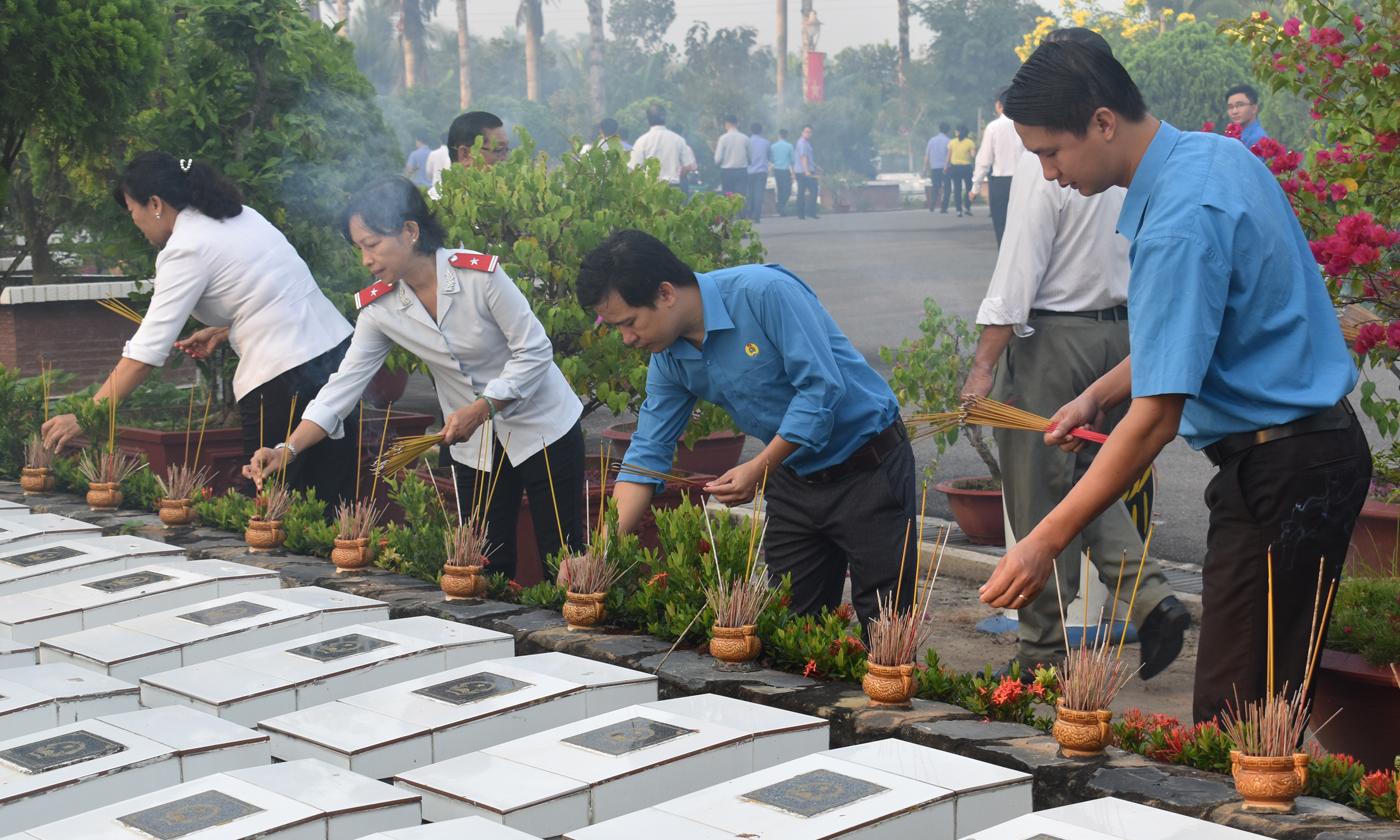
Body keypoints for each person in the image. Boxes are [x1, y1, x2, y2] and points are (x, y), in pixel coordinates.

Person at [991, 39, 1369, 724]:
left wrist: (1045, 537)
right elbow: (1194, 334)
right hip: (1306, 455)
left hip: (1284, 467)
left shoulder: (1178, 222)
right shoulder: (1214, 156)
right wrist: (1096, 395)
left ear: (1103, 122)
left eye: (1051, 152)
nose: (1048, 174)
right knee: (1260, 697)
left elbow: (1157, 418)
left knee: (1240, 712)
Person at [962, 28, 1185, 681]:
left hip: (1058, 342)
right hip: (1127, 343)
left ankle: (1040, 653)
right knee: (1093, 481)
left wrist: (983, 365)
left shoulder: (1054, 152)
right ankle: (1153, 601)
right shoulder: (1138, 158)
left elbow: (1019, 266)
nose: (1050, 166)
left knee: (1038, 498)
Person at [245, 177, 586, 581]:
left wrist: (483, 407)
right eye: (359, 249)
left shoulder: (480, 276)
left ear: (410, 231)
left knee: (563, 555)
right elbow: (342, 386)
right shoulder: (380, 307)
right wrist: (288, 449)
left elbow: (535, 351)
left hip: (544, 425)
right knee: (482, 560)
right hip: (472, 442)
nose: (366, 259)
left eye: (373, 244)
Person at [575, 230, 917, 630]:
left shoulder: (764, 293)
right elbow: (646, 454)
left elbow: (822, 388)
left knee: (886, 625)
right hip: (792, 478)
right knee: (789, 627)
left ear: (666, 293)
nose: (627, 338)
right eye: (617, 328)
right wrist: (600, 553)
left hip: (868, 467)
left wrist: (758, 468)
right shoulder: (668, 357)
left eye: (630, 323)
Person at [41, 151, 359, 506]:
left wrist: (88, 414)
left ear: (156, 203)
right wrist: (225, 331)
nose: (135, 220)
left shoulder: (184, 249)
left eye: (133, 210)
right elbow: (274, 294)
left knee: (274, 507)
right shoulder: (239, 216)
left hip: (282, 379)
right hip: (335, 357)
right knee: (332, 497)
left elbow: (145, 353)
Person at [971, 90, 1026, 246]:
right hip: (1026, 181)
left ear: (998, 105)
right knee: (1025, 224)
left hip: (1001, 184)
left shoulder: (994, 127)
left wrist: (975, 188)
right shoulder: (1028, 125)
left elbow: (984, 161)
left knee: (1002, 226)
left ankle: (1006, 263)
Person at [630, 104, 690, 188]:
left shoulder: (641, 141)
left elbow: (635, 169)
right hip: (673, 186)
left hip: (650, 187)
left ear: (647, 120)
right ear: (665, 119)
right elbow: (687, 167)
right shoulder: (678, 139)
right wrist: (679, 179)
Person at [715, 114, 751, 199]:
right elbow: (750, 157)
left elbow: (717, 159)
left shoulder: (723, 138)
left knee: (728, 198)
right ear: (737, 124)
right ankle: (741, 212)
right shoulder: (745, 138)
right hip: (741, 171)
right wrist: (748, 163)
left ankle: (728, 212)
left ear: (726, 125)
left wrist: (718, 164)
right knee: (741, 197)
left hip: (727, 172)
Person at [946, 125, 977, 217]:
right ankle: (967, 207)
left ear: (958, 132)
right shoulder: (970, 142)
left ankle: (958, 210)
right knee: (969, 188)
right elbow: (973, 155)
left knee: (957, 189)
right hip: (966, 168)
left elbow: (948, 156)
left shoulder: (952, 142)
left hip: (954, 168)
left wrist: (945, 167)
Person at [1226, 83, 1268, 150]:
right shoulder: (1236, 136)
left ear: (1254, 108)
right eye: (1230, 107)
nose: (1234, 111)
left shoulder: (1258, 138)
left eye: (1240, 105)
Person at [746, 123, 772, 222]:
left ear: (751, 131)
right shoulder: (766, 142)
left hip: (749, 172)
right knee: (759, 194)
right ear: (761, 131)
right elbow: (769, 156)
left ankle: (751, 212)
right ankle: (757, 216)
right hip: (762, 171)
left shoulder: (747, 142)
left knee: (751, 193)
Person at [925, 123, 952, 213]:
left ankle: (933, 200)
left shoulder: (931, 141)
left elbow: (927, 155)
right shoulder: (949, 141)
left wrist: (925, 167)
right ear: (948, 131)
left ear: (939, 130)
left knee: (936, 186)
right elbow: (950, 155)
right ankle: (944, 208)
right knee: (947, 188)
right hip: (946, 167)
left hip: (935, 167)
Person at [795, 125, 820, 220]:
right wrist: (807, 171)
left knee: (804, 191)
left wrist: (816, 166)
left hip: (804, 171)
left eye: (810, 132)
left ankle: (806, 213)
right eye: (806, 131)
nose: (808, 133)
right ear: (802, 132)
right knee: (811, 191)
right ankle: (807, 212)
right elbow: (803, 157)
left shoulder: (806, 143)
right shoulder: (802, 143)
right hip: (804, 172)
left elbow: (808, 158)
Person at [770, 129, 796, 216]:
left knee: (780, 189)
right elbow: (793, 159)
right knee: (787, 190)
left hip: (777, 170)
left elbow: (771, 159)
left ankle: (781, 207)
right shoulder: (789, 146)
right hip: (785, 170)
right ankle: (781, 205)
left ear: (779, 135)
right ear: (786, 136)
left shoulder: (773, 146)